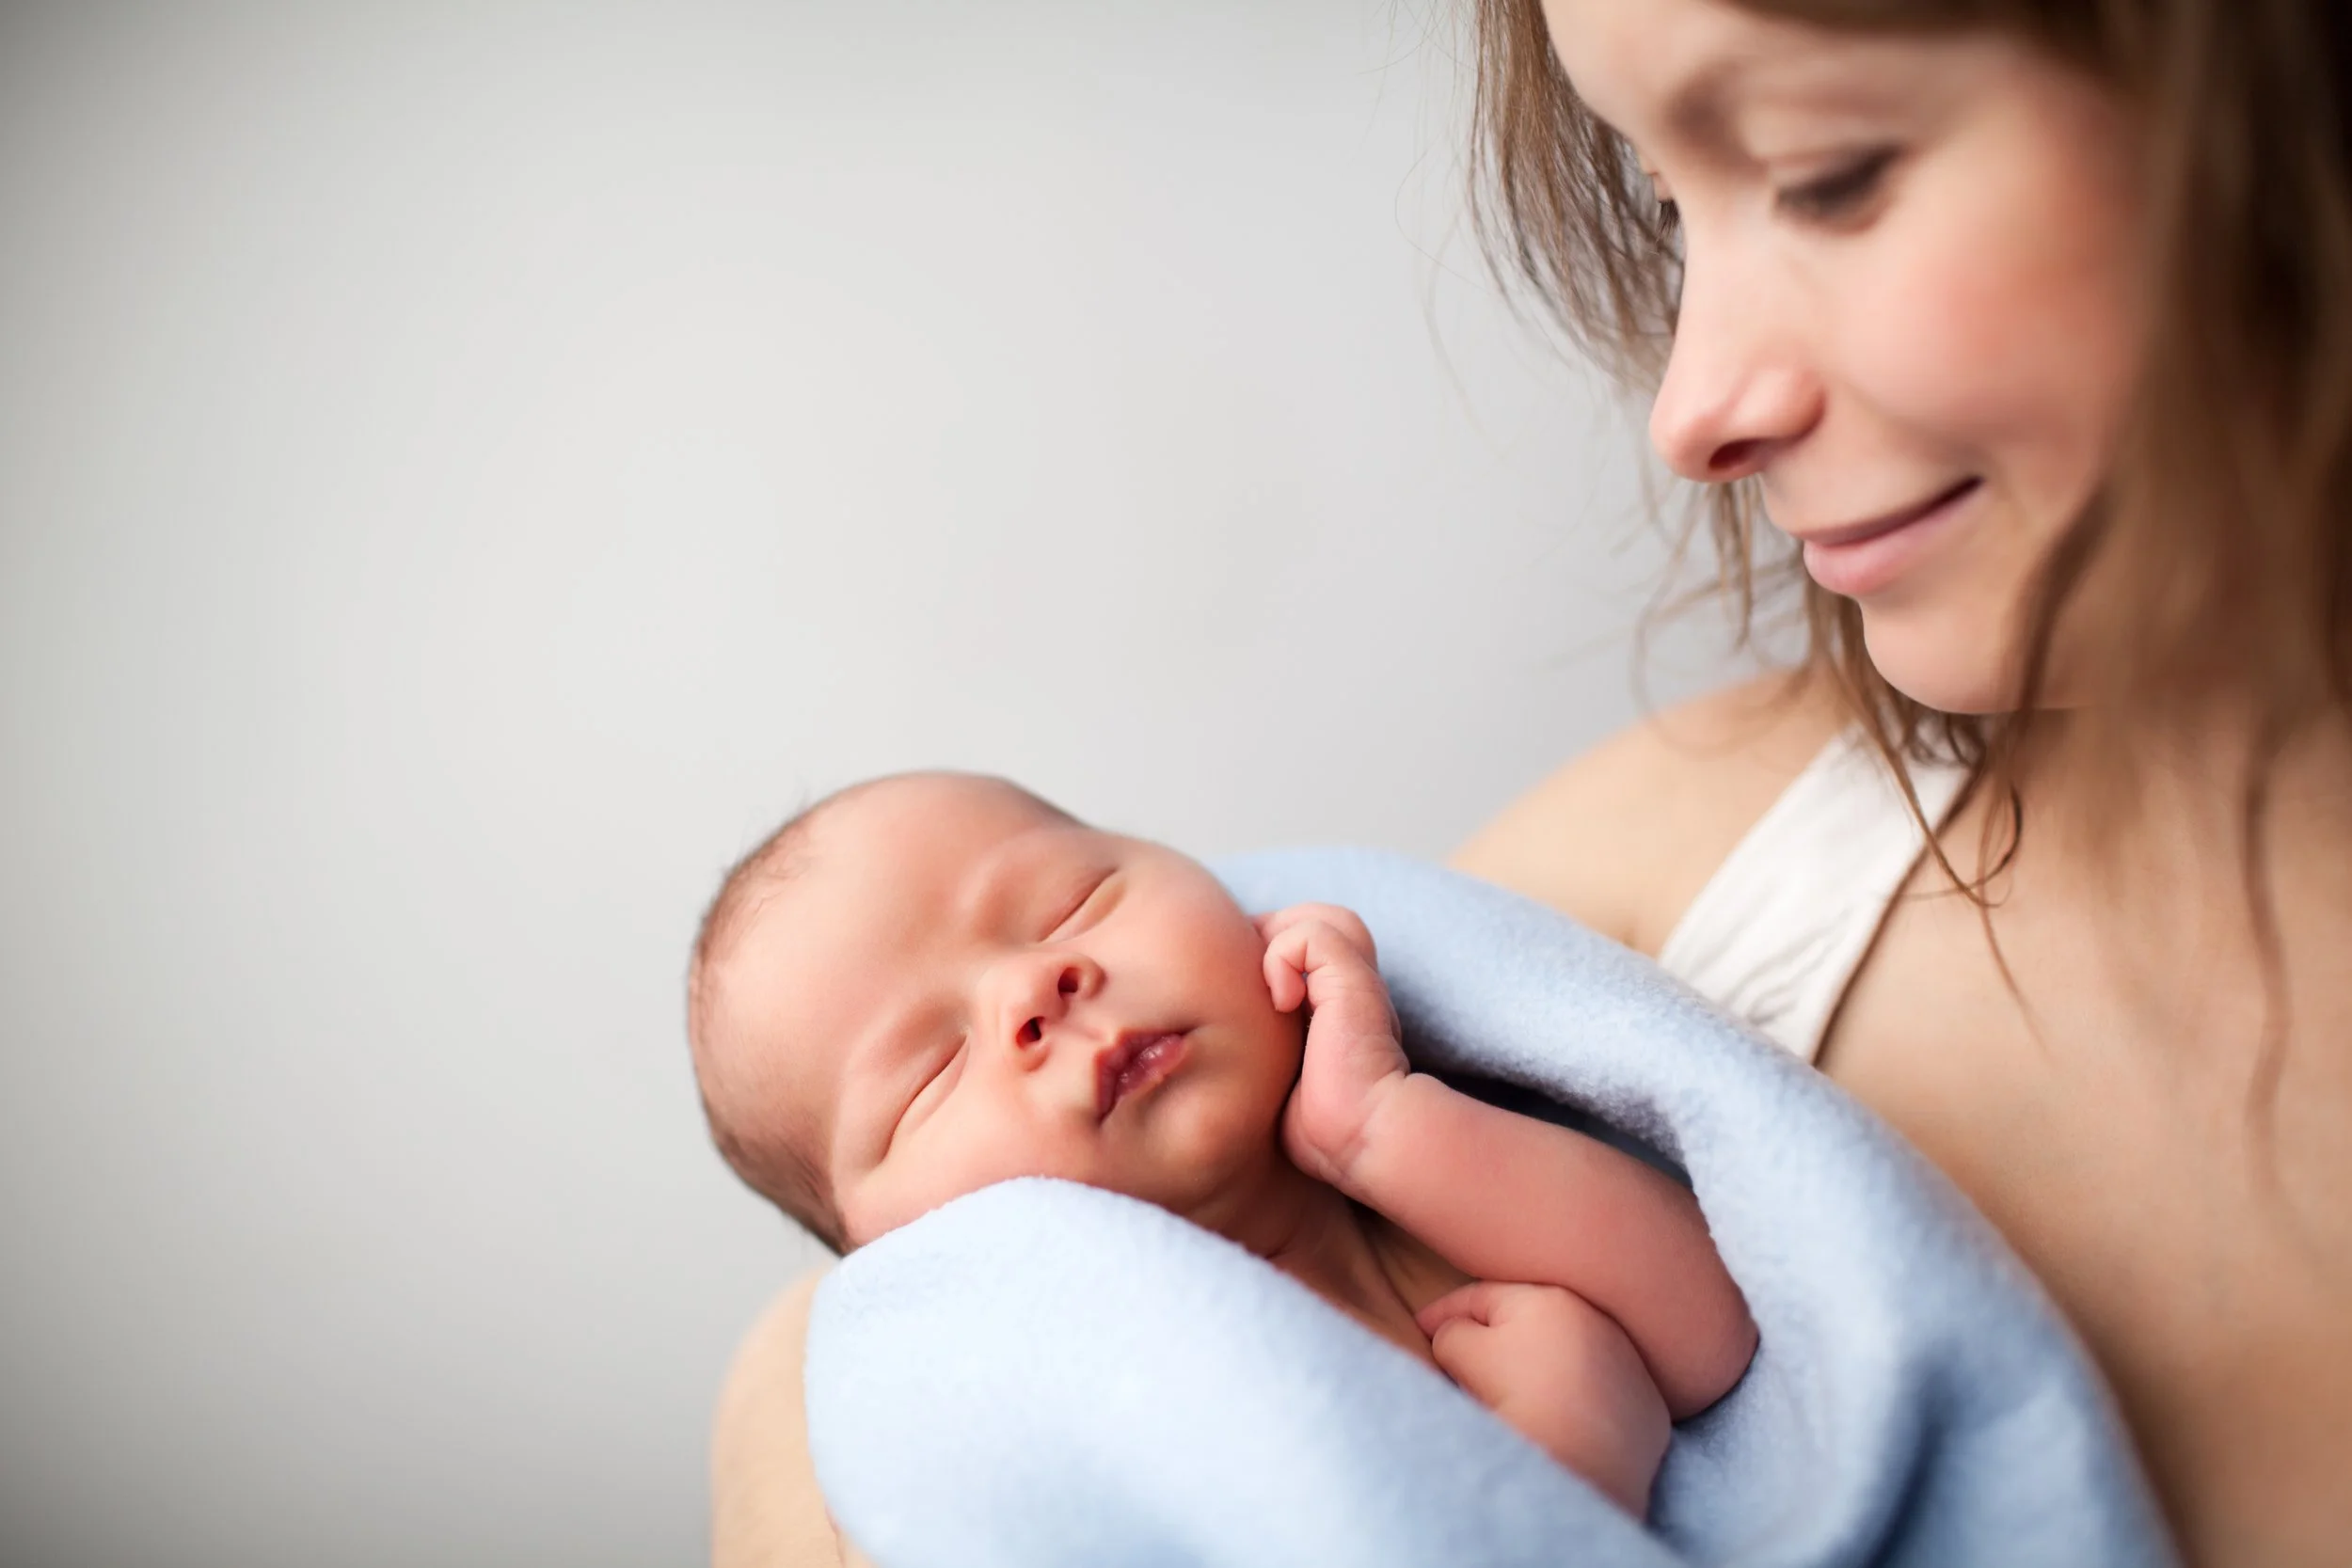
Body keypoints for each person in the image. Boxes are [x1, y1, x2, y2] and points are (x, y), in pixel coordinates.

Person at [711, 2, 2352, 1564]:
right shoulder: (1694, 860)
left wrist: (1404, 1151)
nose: (1691, 408)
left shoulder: (1428, 1064)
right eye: (1662, 209)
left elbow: (1717, 1325)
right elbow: (812, 1366)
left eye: (1824, 170)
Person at [689, 771, 1756, 1517]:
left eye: (1073, 901)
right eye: (929, 1072)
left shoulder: (1439, 1175)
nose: (1032, 986)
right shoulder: (1113, 1412)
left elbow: (1714, 1331)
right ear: (899, 1256)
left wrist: (1383, 1127)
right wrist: (1574, 1457)